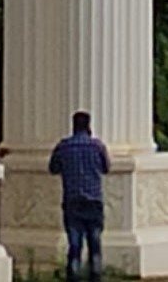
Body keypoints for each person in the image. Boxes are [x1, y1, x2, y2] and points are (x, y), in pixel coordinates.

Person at [49, 109, 111, 281]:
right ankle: (95, 274)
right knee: (95, 241)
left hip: (72, 200)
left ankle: (74, 274)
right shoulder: (98, 146)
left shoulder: (63, 147)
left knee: (75, 242)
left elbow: (53, 168)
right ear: (88, 126)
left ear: (73, 126)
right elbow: (106, 168)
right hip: (94, 200)